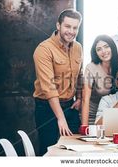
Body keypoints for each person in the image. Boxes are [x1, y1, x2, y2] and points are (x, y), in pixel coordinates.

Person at [33, 9, 83, 155]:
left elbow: (79, 74)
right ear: (58, 25)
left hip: (70, 105)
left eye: (75, 28)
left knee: (74, 149)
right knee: (49, 150)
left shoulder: (78, 47)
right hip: (46, 108)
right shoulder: (44, 49)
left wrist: (79, 97)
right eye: (67, 26)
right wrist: (60, 118)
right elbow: (49, 88)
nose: (71, 31)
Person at [82, 35, 118, 125]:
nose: (103, 52)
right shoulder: (91, 67)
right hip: (92, 116)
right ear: (96, 53)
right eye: (99, 49)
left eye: (106, 47)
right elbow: (85, 99)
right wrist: (84, 126)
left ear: (112, 47)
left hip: (114, 115)